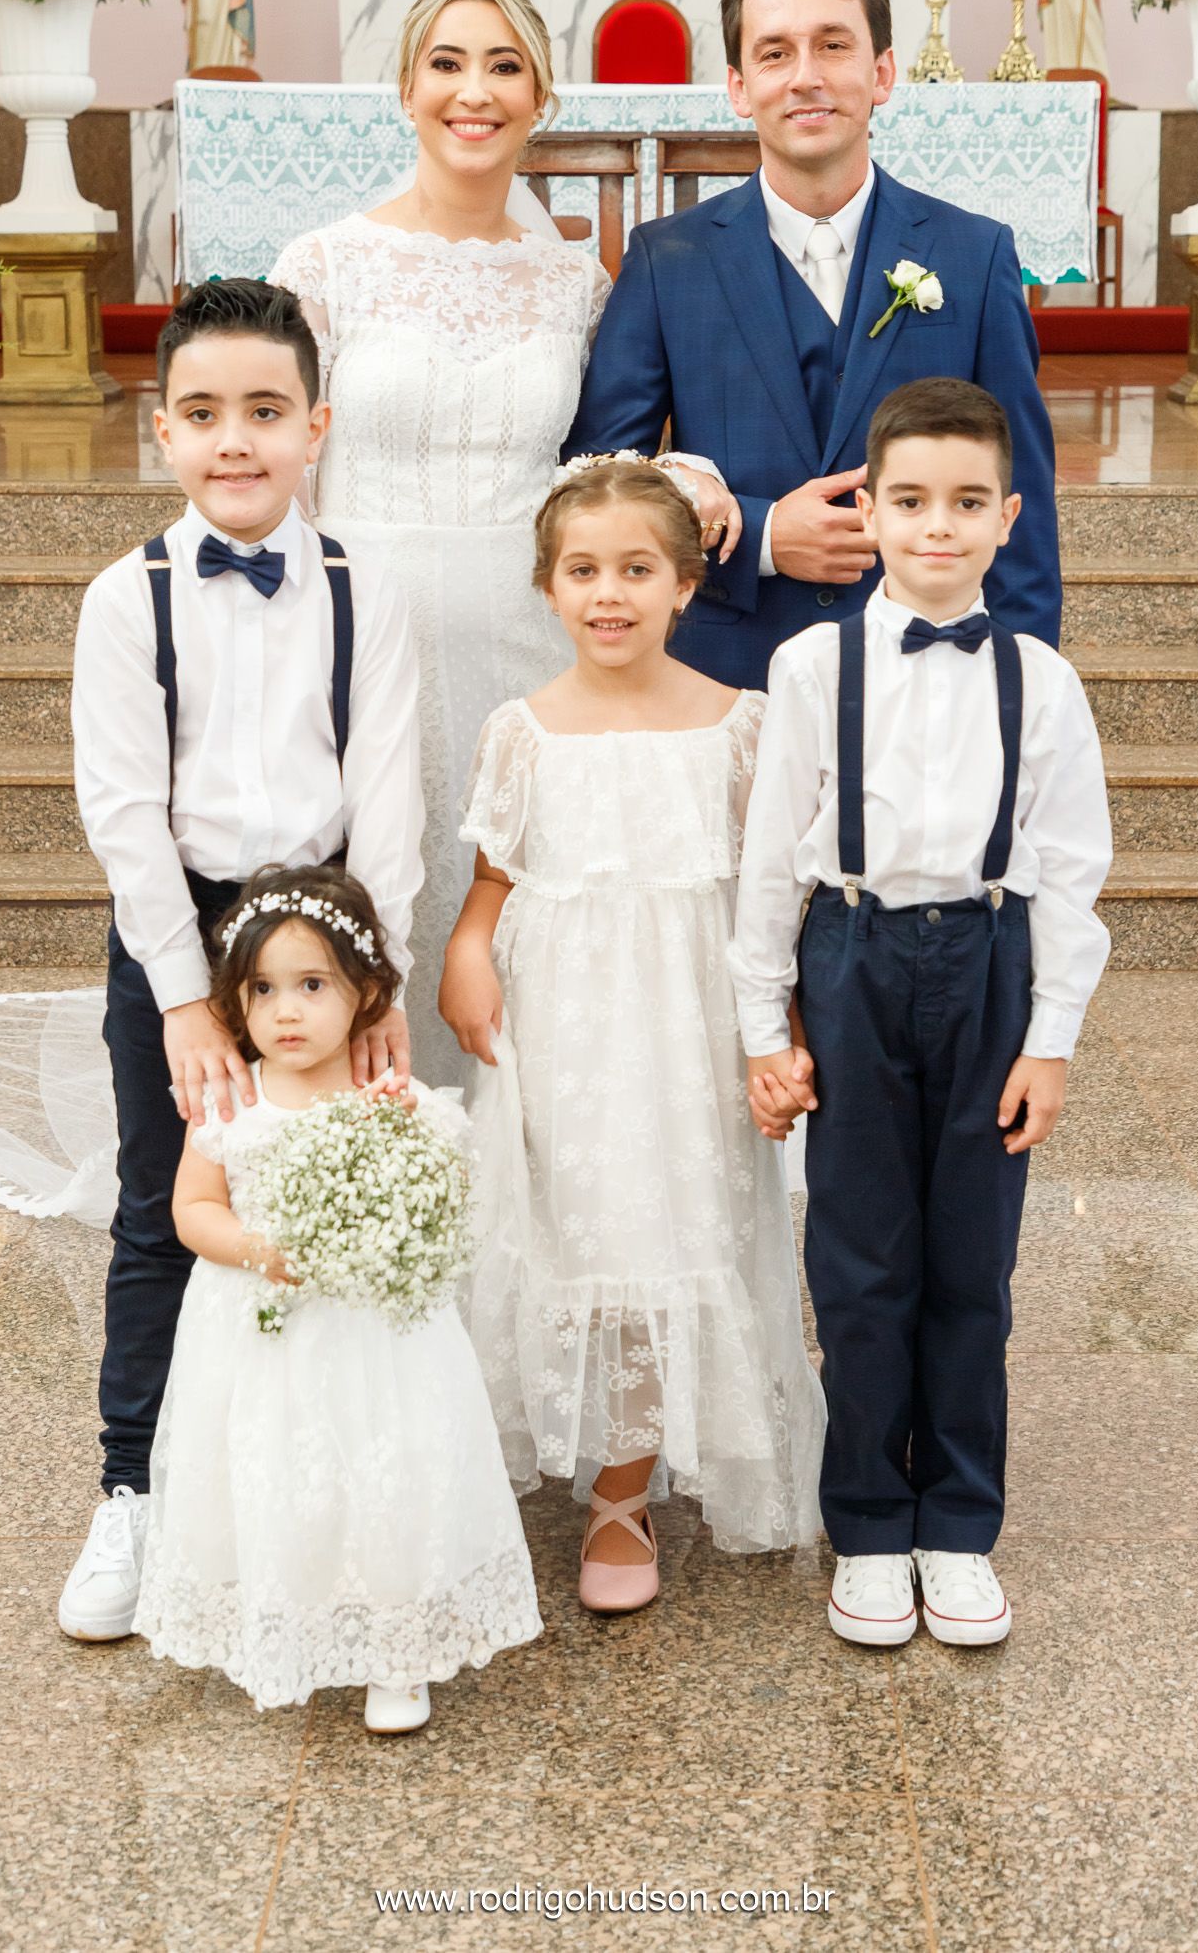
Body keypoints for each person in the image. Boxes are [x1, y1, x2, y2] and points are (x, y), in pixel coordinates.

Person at [270, 0, 734, 1080]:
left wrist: (686, 476)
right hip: (358, 632)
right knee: (371, 898)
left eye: (502, 66)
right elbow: (274, 476)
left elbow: (589, 468)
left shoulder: (574, 282)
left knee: (520, 916)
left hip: (524, 650)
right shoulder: (323, 265)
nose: (471, 91)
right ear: (404, 85)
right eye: (445, 62)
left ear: (540, 99)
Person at [57, 278, 425, 1647]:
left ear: (314, 425)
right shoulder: (124, 599)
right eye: (203, 414)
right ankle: (133, 1487)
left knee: (325, 1194)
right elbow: (121, 811)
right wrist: (178, 997)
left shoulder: (362, 590)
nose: (235, 442)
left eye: (264, 413)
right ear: (160, 430)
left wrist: (363, 986)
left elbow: (386, 792)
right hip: (180, 923)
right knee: (168, 1205)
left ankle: (323, 1494)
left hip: (324, 939)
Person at [731, 379, 1111, 1649]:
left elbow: (1068, 868)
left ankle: (955, 1525)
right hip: (849, 957)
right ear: (870, 510)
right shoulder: (808, 664)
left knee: (970, 1264)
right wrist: (762, 1026)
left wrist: (1048, 1038)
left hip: (990, 963)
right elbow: (771, 862)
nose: (934, 528)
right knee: (857, 1257)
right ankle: (867, 1527)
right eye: (907, 501)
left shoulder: (1042, 681)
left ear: (1008, 517)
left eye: (963, 504)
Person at [441, 458, 824, 1609]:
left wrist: (783, 1040)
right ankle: (573, 1439)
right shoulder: (520, 733)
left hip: (686, 1035)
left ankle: (626, 1488)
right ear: (547, 586)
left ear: (684, 583)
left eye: (635, 569)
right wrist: (466, 965)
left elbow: (772, 914)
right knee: (573, 1231)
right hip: (560, 1031)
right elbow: (486, 894)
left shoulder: (738, 728)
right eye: (582, 570)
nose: (608, 593)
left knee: (671, 1226)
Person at [564, 0, 1062, 691]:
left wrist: (1020, 691)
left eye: (832, 45)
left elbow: (1018, 493)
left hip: (926, 673)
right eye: (774, 53)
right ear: (737, 87)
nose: (805, 77)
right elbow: (601, 476)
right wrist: (762, 536)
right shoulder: (667, 261)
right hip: (726, 680)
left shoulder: (974, 254)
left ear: (883, 71)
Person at [133, 866, 541, 1732]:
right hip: (261, 1336)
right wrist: (261, 1252)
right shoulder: (233, 1104)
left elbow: (436, 1203)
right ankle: (281, 1626)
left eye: (311, 986)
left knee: (382, 1475)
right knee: (279, 1474)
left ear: (365, 995)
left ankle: (397, 1649)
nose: (286, 1011)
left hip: (374, 1342)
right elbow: (191, 1210)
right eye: (263, 990)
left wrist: (403, 1162)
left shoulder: (387, 1102)